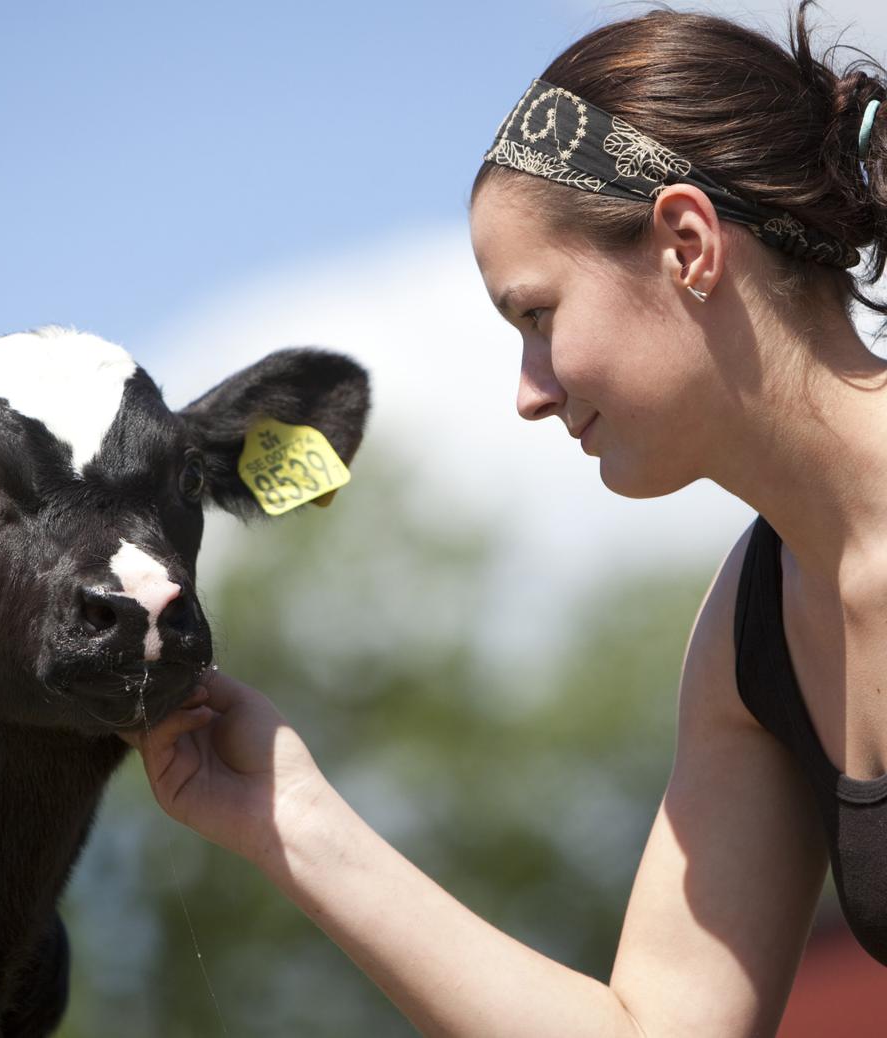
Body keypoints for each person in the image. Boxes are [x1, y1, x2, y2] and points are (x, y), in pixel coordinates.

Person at [121, 4, 887, 1034]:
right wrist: (288, 819)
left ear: (687, 243)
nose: (528, 392)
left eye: (537, 315)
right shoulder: (751, 638)